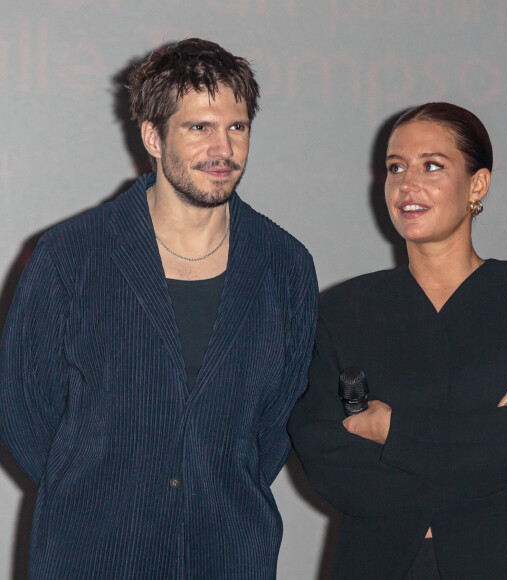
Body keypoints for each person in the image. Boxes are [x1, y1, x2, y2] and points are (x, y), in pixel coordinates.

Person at [0, 38, 317, 579]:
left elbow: (278, 424)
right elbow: (25, 411)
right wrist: (100, 488)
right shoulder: (72, 255)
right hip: (92, 557)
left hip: (230, 556)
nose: (224, 148)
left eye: (236, 127)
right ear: (153, 135)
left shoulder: (283, 263)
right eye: (199, 128)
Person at [288, 102, 507, 580]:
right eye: (395, 168)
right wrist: (480, 441)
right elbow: (325, 458)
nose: (407, 184)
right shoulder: (342, 310)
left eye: (431, 166)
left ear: (477, 185)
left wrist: (391, 431)